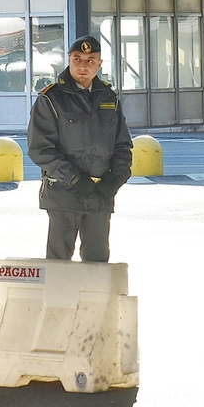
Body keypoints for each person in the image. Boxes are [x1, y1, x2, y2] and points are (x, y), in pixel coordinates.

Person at [27, 35, 133, 262]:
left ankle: (92, 300)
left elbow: (122, 144)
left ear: (100, 64)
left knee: (97, 264)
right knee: (59, 264)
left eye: (90, 60)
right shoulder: (51, 99)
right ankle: (57, 300)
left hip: (100, 195)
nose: (83, 65)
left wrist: (116, 180)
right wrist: (76, 180)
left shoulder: (109, 97)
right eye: (77, 59)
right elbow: (40, 149)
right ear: (68, 60)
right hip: (63, 194)